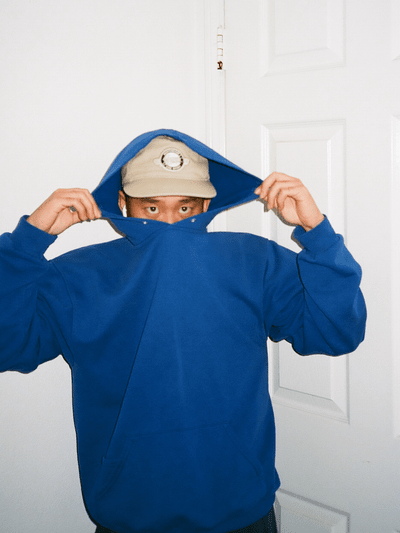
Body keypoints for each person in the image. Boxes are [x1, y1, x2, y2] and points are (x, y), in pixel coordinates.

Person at [0, 130, 366, 533]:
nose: (170, 224)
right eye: (151, 207)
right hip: (130, 510)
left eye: (185, 207)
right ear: (123, 203)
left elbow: (336, 333)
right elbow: (8, 347)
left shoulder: (254, 260)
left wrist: (317, 233)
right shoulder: (77, 276)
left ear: (207, 204)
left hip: (240, 505)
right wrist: (28, 242)